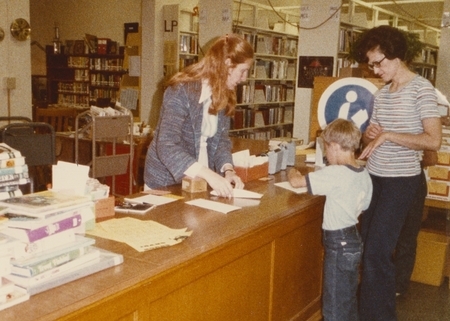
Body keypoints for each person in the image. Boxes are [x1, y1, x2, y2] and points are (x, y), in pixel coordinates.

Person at [356, 25, 442, 321]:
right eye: (371, 64)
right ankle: (371, 312)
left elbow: (433, 140)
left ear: (396, 56)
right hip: (375, 178)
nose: (375, 70)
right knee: (368, 248)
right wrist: (370, 133)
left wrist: (389, 135)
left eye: (378, 62)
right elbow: (374, 137)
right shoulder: (382, 95)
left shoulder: (422, 89)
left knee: (377, 252)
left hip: (401, 182)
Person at [144, 34, 254, 197]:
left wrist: (228, 170)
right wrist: (209, 175)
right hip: (166, 181)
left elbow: (221, 141)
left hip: (200, 179)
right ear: (227, 64)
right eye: (243, 71)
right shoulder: (181, 90)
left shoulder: (223, 94)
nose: (245, 78)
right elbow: (166, 144)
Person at [288, 118, 372, 321]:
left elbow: (297, 182)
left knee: (334, 306)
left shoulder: (335, 173)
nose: (326, 154)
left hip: (338, 244)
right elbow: (365, 205)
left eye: (325, 149)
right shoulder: (364, 174)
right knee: (348, 299)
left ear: (334, 147)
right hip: (353, 239)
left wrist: (292, 169)